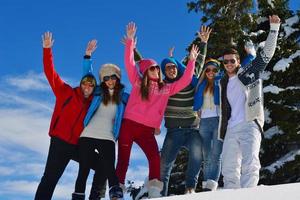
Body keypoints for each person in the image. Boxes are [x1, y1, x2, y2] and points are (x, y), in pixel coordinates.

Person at [115, 22, 200, 198]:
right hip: (129, 126)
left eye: (156, 68)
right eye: (151, 68)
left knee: (155, 159)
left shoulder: (165, 89)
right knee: (124, 160)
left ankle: (155, 191)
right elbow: (130, 64)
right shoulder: (138, 83)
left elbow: (184, 81)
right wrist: (130, 43)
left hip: (146, 130)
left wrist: (191, 61)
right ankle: (117, 190)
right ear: (146, 72)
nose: (155, 70)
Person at [219, 15, 281, 189]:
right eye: (226, 61)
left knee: (250, 165)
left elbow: (266, 55)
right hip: (231, 128)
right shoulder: (222, 82)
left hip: (249, 123)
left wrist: (274, 29)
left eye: (232, 60)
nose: (229, 63)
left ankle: (248, 195)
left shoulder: (248, 72)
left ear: (239, 61)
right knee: (229, 168)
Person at [35, 32, 97, 200]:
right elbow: (50, 72)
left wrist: (88, 56)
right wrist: (47, 49)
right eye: (85, 82)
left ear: (93, 88)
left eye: (91, 85)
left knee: (102, 164)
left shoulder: (93, 104)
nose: (87, 86)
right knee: (50, 179)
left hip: (78, 145)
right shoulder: (66, 92)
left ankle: (95, 197)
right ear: (81, 82)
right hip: (59, 143)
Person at [160, 26, 212, 196]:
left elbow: (199, 62)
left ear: (178, 68)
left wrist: (204, 43)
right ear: (164, 72)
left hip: (192, 129)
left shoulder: (189, 79)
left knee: (198, 154)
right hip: (173, 131)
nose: (172, 69)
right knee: (165, 164)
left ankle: (190, 187)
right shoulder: (163, 87)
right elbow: (143, 70)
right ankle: (161, 194)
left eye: (173, 67)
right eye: (167, 68)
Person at [193, 58, 222, 191]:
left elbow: (238, 69)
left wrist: (250, 55)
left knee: (216, 154)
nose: (211, 72)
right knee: (207, 155)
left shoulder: (221, 81)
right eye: (208, 69)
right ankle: (205, 185)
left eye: (214, 70)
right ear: (205, 71)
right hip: (204, 122)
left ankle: (212, 185)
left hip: (217, 120)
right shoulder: (200, 84)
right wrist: (171, 58)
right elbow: (185, 72)